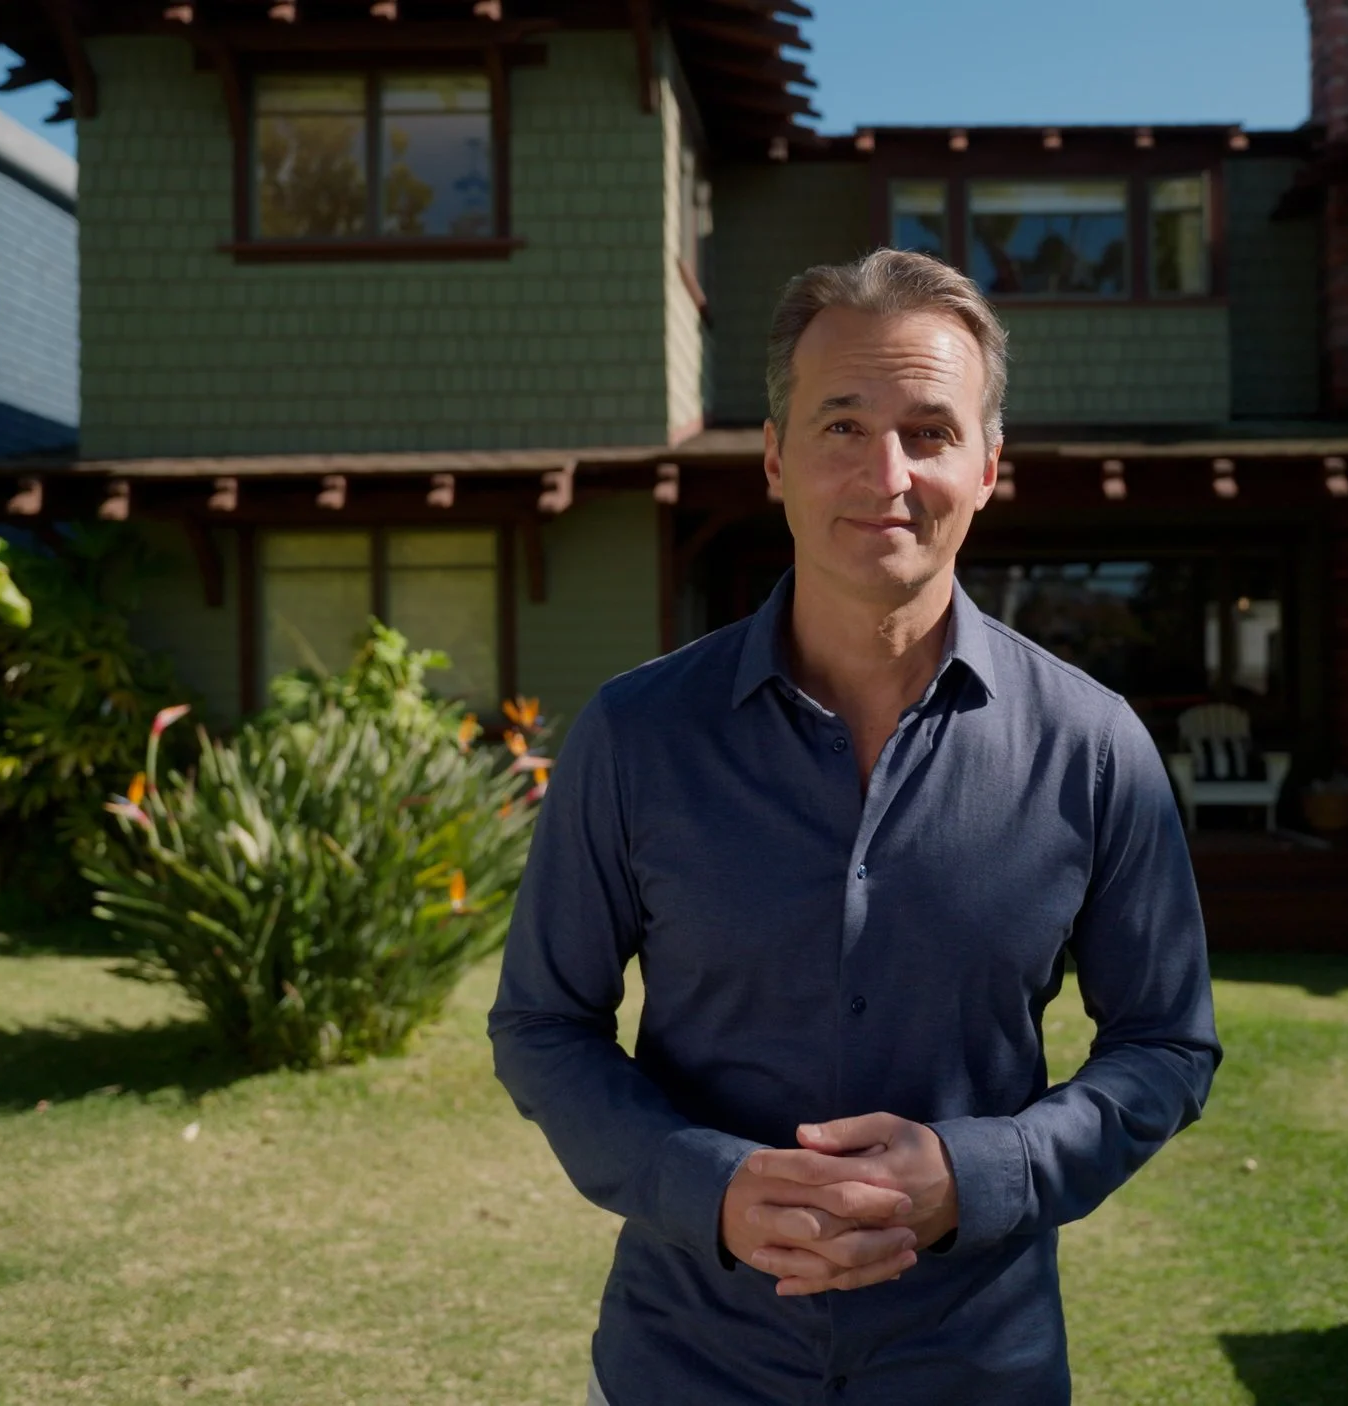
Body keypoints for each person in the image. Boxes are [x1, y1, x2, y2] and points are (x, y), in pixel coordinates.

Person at [488, 248, 1221, 1405]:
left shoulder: (1093, 745)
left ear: (988, 466)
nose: (886, 472)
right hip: (685, 1363)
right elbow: (542, 1022)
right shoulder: (635, 736)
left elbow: (1167, 1046)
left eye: (929, 430)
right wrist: (705, 1183)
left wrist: (980, 1169)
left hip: (975, 1365)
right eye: (842, 425)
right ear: (775, 459)